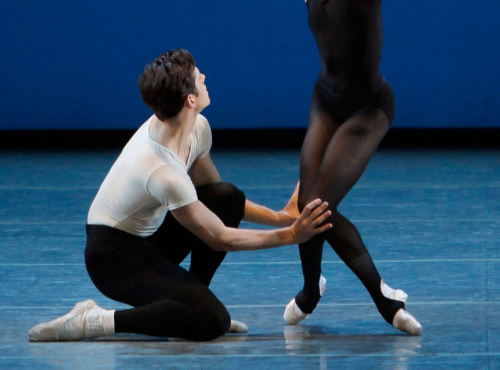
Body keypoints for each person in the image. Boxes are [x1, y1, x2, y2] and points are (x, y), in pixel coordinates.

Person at [223, 0, 422, 335]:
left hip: (368, 109)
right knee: (306, 208)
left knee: (316, 206)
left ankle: (384, 300)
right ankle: (312, 291)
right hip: (325, 102)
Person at [28, 49, 332, 342]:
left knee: (225, 196)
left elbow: (216, 200)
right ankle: (94, 320)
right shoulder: (161, 170)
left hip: (150, 239)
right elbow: (218, 237)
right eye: (199, 78)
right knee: (215, 320)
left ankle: (187, 310)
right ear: (191, 100)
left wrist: (281, 216)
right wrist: (291, 235)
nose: (205, 76)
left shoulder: (197, 127)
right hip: (112, 258)